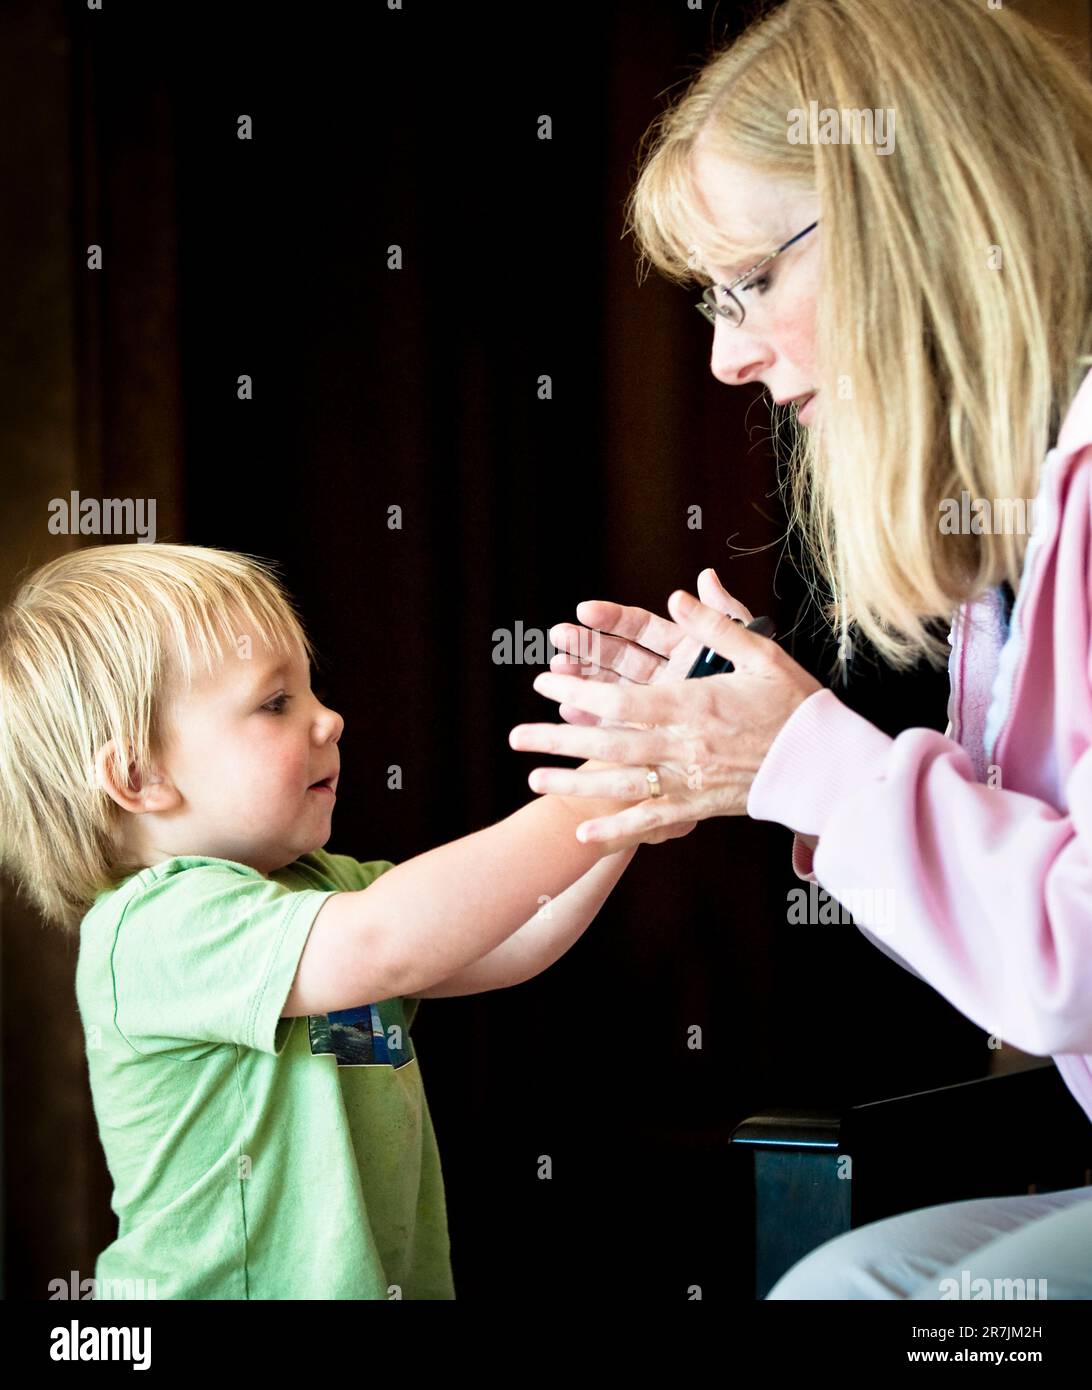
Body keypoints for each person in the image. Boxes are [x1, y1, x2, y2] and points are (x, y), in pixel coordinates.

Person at [507, 0, 1092, 1297]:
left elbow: (1067, 967)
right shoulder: (1031, 514)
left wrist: (797, 755)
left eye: (753, 280)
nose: (724, 355)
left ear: (920, 214)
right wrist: (741, 743)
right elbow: (1012, 953)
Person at [0, 541, 691, 1300]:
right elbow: (385, 943)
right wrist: (613, 783)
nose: (328, 719)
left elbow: (516, 936)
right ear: (140, 776)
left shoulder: (321, 893)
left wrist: (630, 799)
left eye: (309, 690)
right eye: (275, 702)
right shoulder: (153, 928)